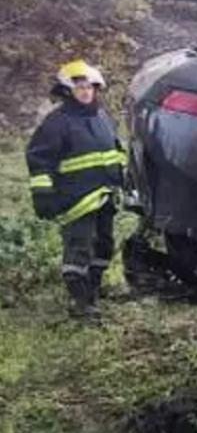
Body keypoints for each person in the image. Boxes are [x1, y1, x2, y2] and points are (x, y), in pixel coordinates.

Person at [25, 60, 125, 320]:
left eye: (90, 86)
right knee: (79, 248)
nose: (86, 91)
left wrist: (125, 179)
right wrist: (43, 193)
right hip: (76, 200)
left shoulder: (101, 116)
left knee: (104, 245)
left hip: (105, 195)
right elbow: (38, 158)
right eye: (79, 87)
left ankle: (93, 291)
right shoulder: (57, 122)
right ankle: (80, 303)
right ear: (68, 91)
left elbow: (115, 151)